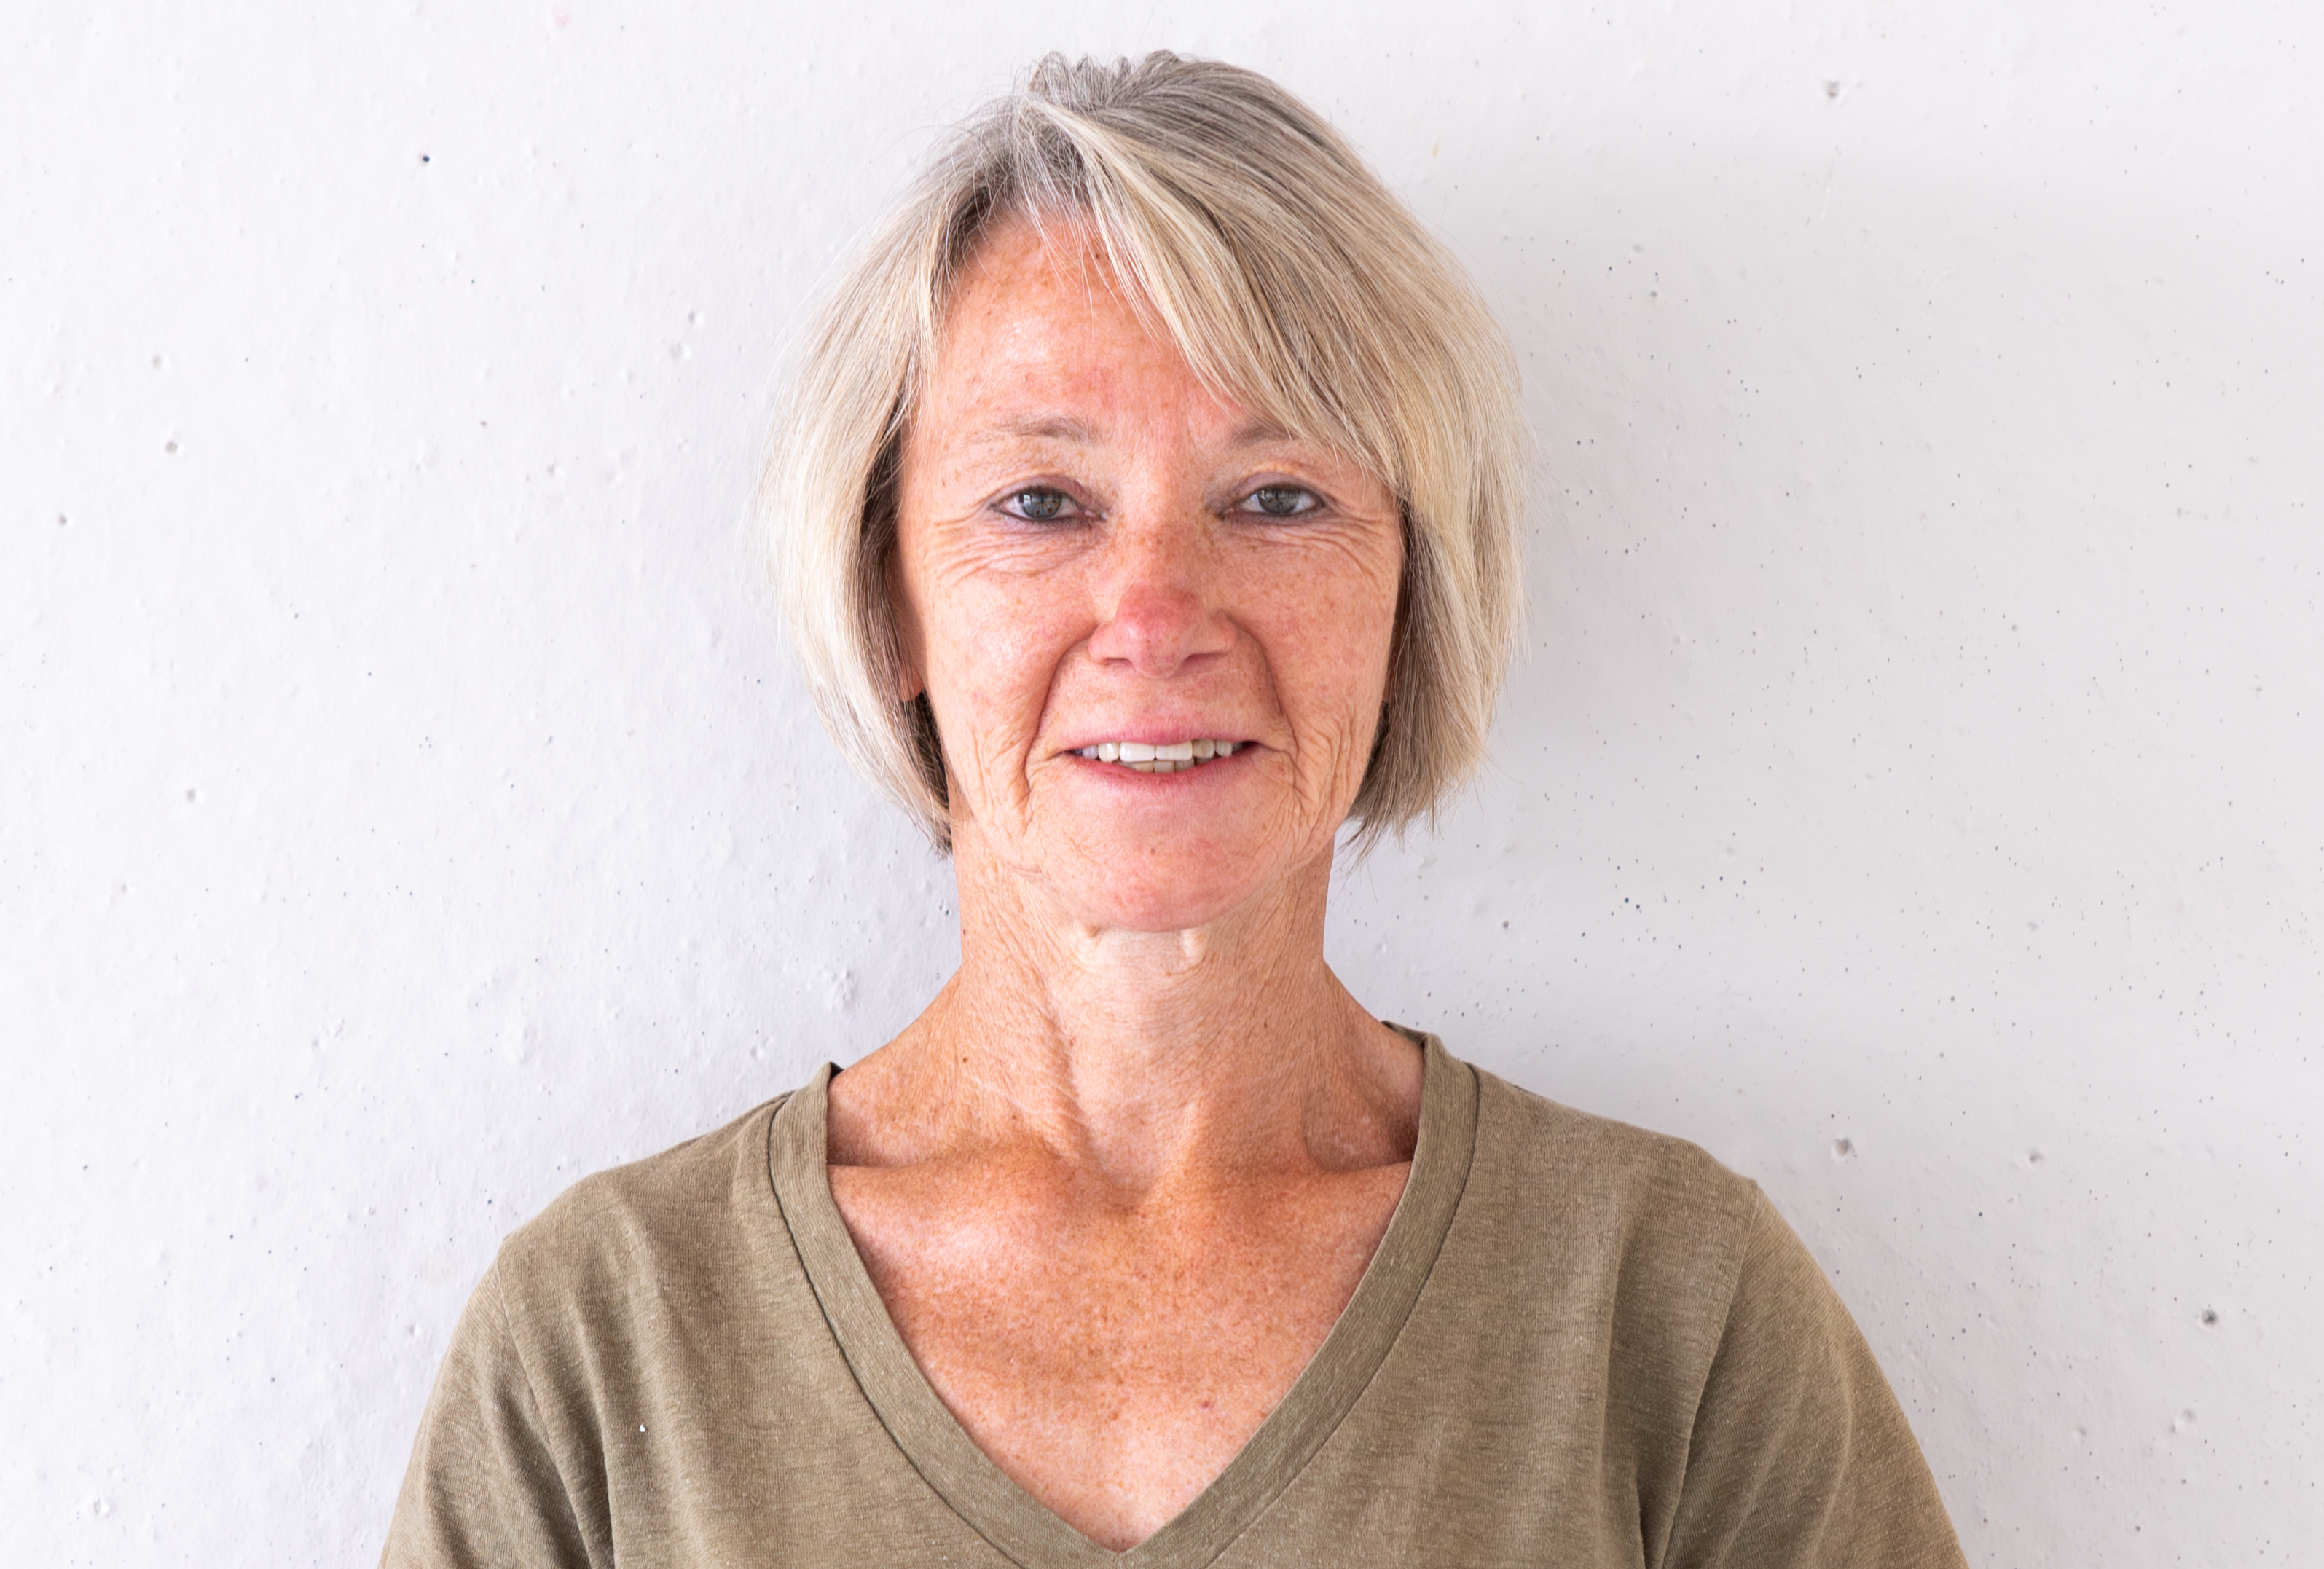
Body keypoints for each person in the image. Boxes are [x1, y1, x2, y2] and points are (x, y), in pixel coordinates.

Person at [382, 52, 1968, 1568]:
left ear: (1409, 597)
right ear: (888, 601)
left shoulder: (1666, 1315)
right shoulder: (605, 1339)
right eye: (1040, 503)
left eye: (1277, 499)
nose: (1154, 615)